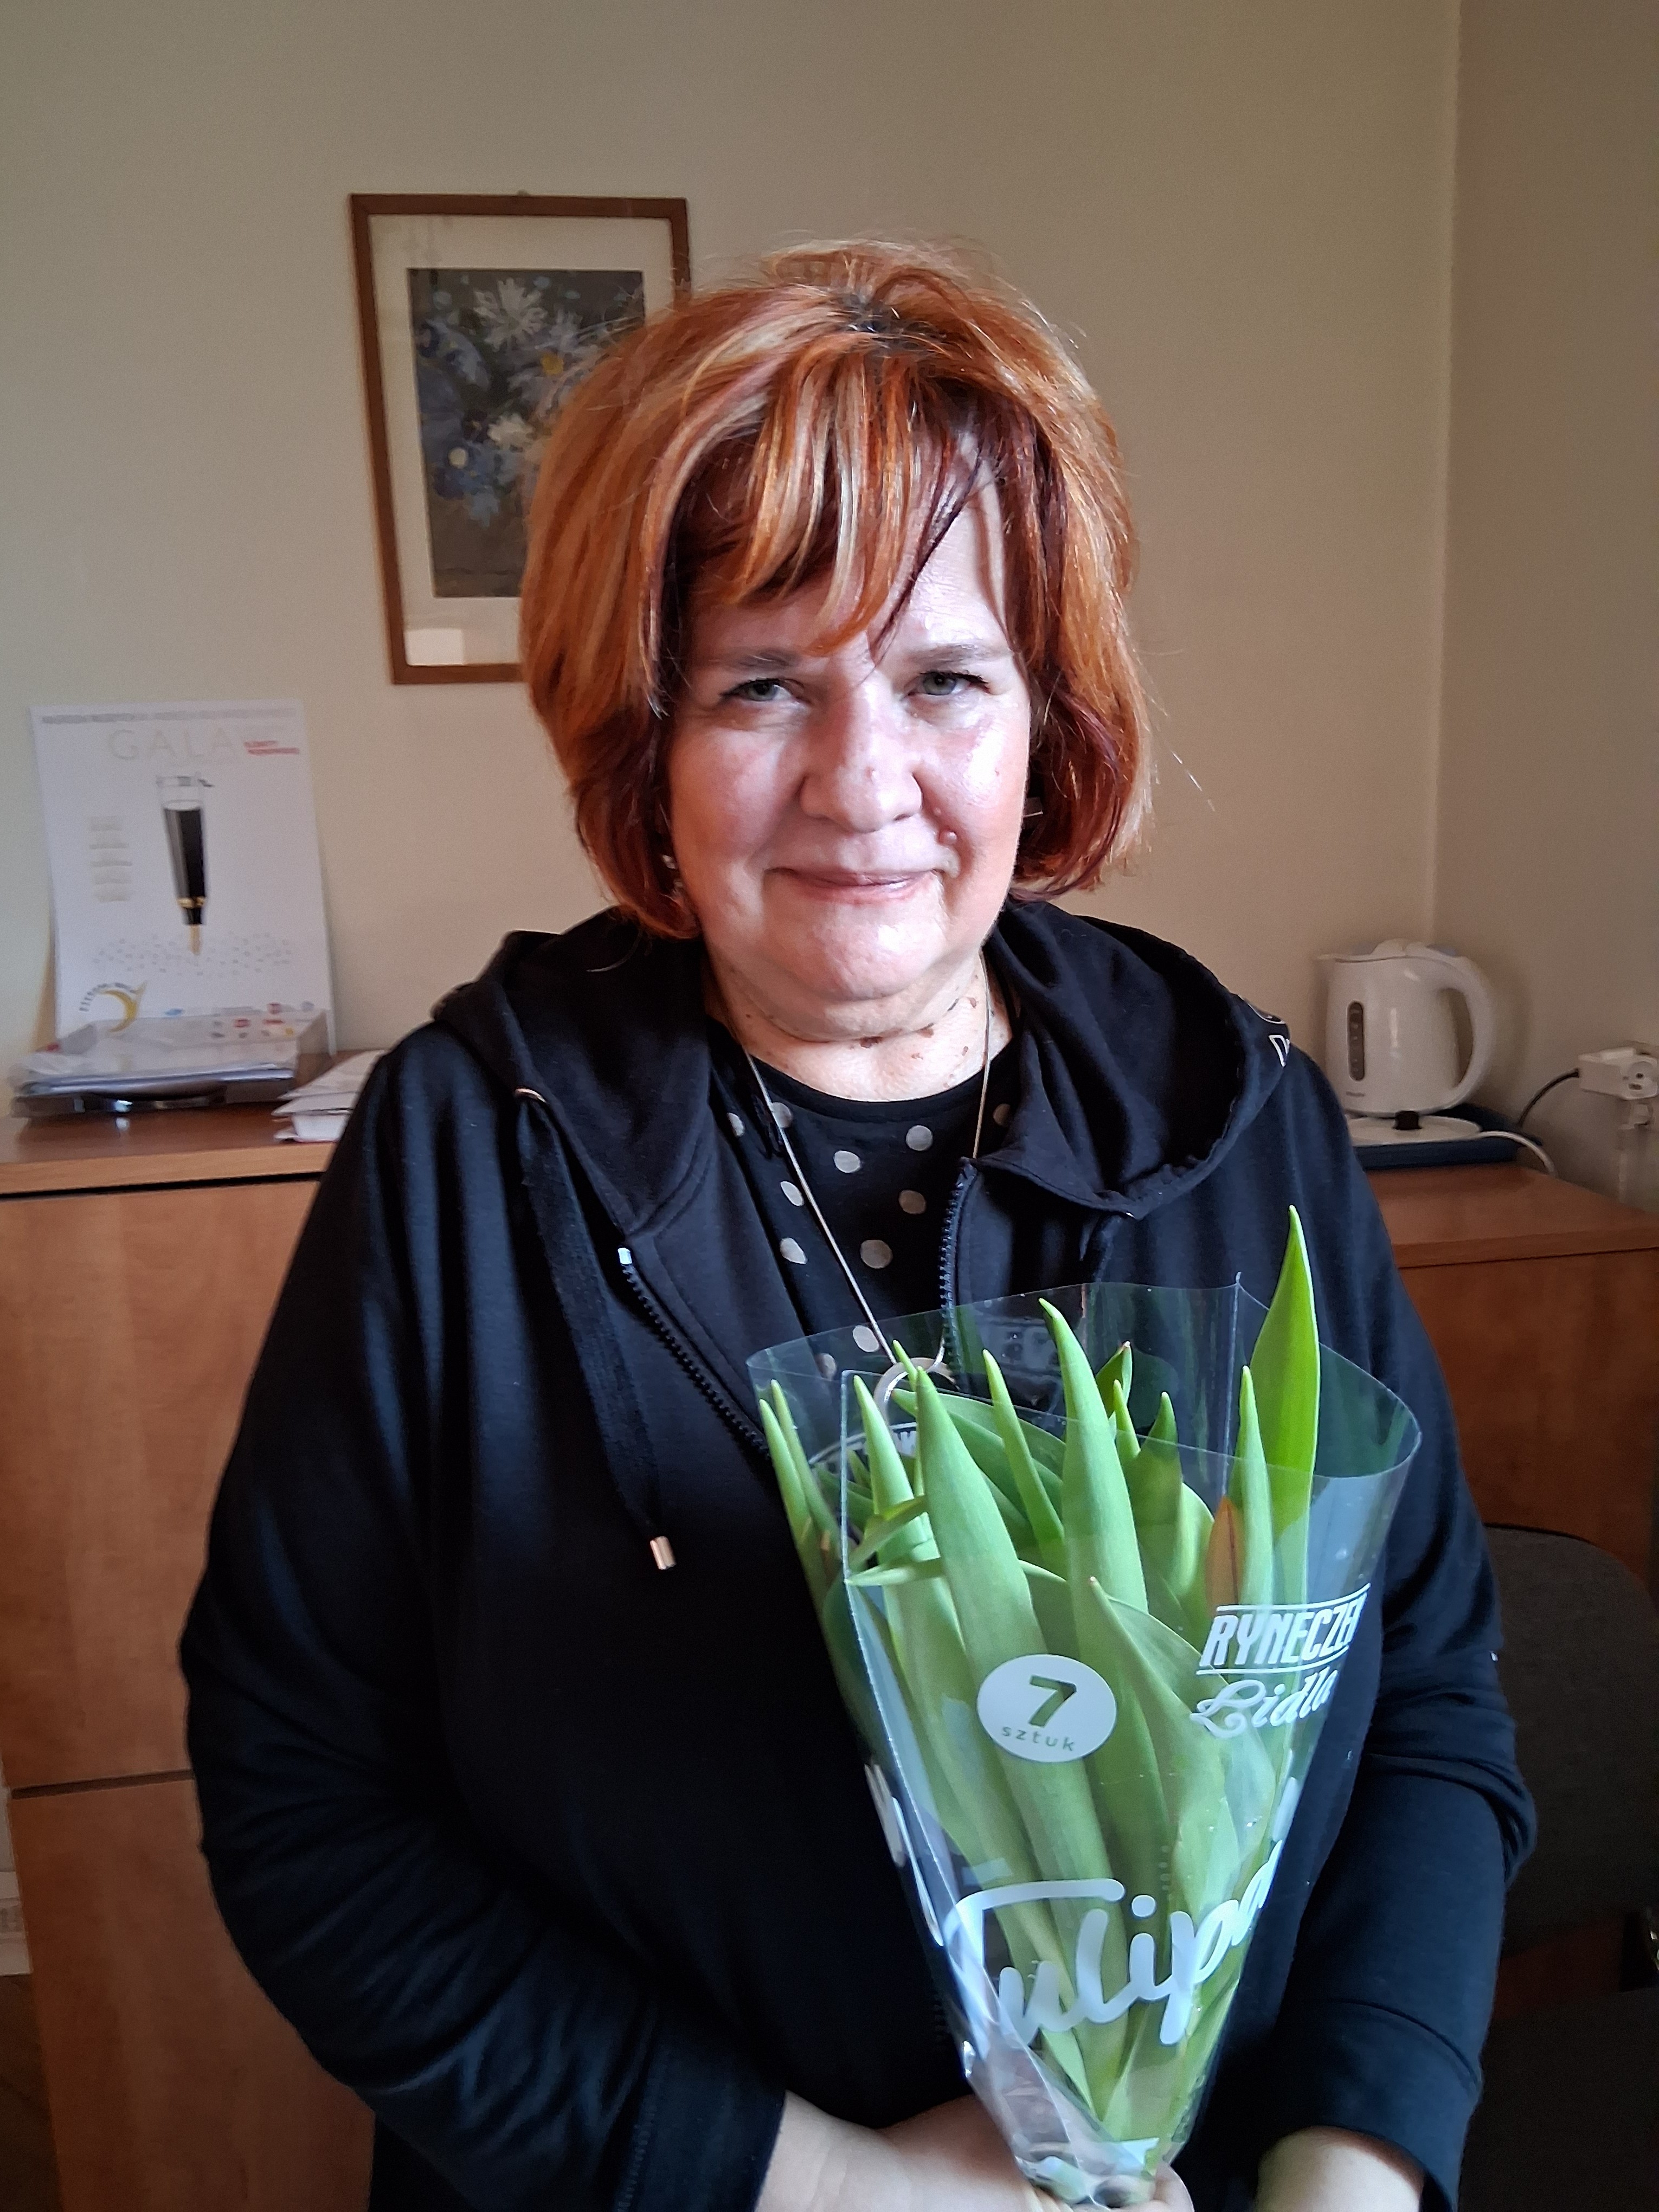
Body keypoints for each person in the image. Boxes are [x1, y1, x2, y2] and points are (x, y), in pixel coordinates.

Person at [181, 243, 1531, 2212]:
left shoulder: (1230, 1114)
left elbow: (1423, 1691)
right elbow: (305, 1801)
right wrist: (833, 2189)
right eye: (763, 685)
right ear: (646, 734)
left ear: (1043, 720)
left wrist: (1350, 2163)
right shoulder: (471, 1146)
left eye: (944, 679)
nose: (862, 781)